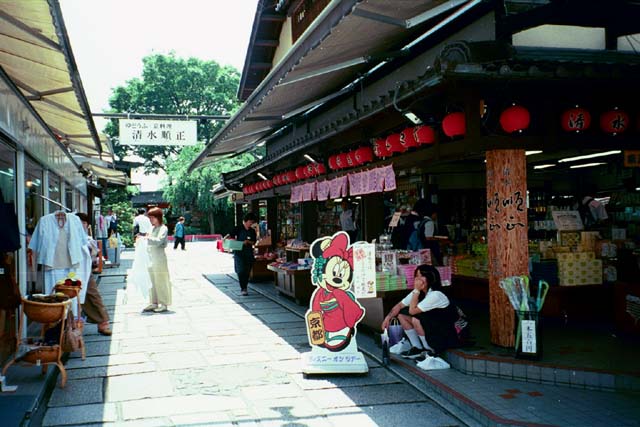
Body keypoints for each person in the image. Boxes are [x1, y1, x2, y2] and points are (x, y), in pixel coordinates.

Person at [381, 264, 459, 360]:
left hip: (444, 333)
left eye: (422, 276)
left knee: (415, 319)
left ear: (430, 278)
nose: (418, 279)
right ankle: (417, 347)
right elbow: (400, 305)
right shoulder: (420, 292)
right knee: (402, 316)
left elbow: (412, 311)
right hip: (431, 328)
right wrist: (387, 318)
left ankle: (429, 350)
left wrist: (417, 290)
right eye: (417, 276)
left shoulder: (436, 294)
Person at [76, 213, 111, 335]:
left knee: (93, 295)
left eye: (84, 223)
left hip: (85, 271)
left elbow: (94, 254)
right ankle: (73, 326)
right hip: (69, 272)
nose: (82, 225)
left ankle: (103, 322)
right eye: (79, 222)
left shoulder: (88, 239)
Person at [141, 207, 172, 313]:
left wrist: (146, 239)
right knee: (152, 280)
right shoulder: (151, 228)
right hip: (150, 256)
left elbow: (159, 241)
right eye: (150, 218)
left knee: (161, 279)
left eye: (152, 218)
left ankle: (163, 303)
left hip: (159, 257)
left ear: (158, 217)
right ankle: (154, 302)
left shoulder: (163, 228)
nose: (151, 220)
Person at [226, 212, 258, 296]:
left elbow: (254, 242)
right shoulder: (238, 228)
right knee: (240, 271)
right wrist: (238, 242)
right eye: (250, 222)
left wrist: (248, 242)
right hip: (239, 252)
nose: (251, 224)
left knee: (247, 271)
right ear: (245, 221)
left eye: (252, 222)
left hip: (248, 253)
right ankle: (243, 288)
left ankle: (245, 287)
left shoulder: (252, 231)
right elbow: (230, 237)